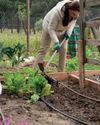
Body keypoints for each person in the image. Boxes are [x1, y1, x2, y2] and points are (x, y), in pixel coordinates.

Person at [34, 0, 80, 72]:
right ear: (70, 9)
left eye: (76, 15)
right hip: (48, 28)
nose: (74, 16)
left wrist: (68, 33)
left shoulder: (75, 15)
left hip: (63, 30)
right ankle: (35, 71)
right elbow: (51, 28)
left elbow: (72, 24)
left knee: (63, 50)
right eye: (73, 14)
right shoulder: (57, 12)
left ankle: (61, 72)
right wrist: (56, 42)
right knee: (43, 49)